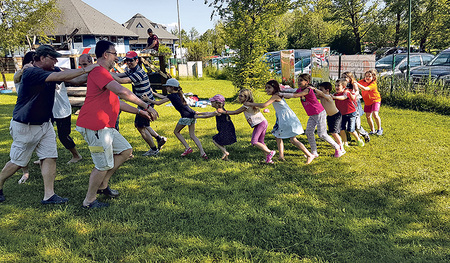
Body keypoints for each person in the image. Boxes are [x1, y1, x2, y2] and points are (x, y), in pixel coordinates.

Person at [0, 45, 98, 204]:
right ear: (42, 58)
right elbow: (60, 76)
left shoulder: (53, 70)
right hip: (26, 125)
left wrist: (95, 71)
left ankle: (49, 195)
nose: (56, 61)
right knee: (18, 162)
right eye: (53, 58)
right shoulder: (32, 72)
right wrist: (88, 69)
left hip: (45, 123)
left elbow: (76, 79)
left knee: (50, 157)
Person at [75, 40, 158, 209]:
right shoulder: (99, 71)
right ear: (105, 54)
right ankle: (89, 201)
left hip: (105, 126)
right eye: (114, 54)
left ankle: (103, 184)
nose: (116, 58)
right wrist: (145, 105)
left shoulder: (106, 73)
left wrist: (139, 112)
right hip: (95, 126)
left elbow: (117, 101)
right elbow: (122, 91)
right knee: (102, 164)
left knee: (126, 151)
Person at [244, 80, 316, 164]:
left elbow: (264, 105)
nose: (267, 89)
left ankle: (309, 155)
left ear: (275, 88)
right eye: (266, 88)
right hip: (282, 118)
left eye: (269, 88)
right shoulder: (278, 94)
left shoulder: (275, 96)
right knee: (278, 136)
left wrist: (250, 104)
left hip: (287, 119)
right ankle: (281, 157)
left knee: (293, 140)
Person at [111, 51, 167, 156]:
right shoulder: (131, 70)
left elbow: (121, 80)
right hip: (144, 102)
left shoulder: (138, 73)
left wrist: (103, 72)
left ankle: (154, 149)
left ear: (137, 60)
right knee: (144, 124)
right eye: (127, 60)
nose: (129, 62)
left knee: (140, 126)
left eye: (131, 60)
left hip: (146, 103)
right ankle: (159, 139)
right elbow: (120, 75)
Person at [279, 74, 341, 158]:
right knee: (308, 132)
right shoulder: (300, 89)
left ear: (307, 82)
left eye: (301, 80)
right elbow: (293, 92)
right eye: (298, 80)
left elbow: (296, 95)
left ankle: (337, 148)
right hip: (312, 115)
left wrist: (281, 94)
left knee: (322, 134)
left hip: (319, 113)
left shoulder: (307, 90)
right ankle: (314, 152)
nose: (298, 82)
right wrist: (282, 92)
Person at [155, 78, 210, 159]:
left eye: (167, 87)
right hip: (192, 114)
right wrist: (153, 93)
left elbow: (158, 103)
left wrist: (147, 100)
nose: (166, 88)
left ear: (172, 87)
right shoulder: (178, 94)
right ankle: (202, 152)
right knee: (192, 135)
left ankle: (188, 148)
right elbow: (163, 97)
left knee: (176, 132)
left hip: (186, 117)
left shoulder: (171, 96)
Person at [218, 89, 276, 164]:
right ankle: (269, 160)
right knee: (261, 142)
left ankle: (269, 152)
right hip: (263, 123)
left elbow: (236, 112)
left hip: (260, 124)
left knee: (254, 141)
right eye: (239, 95)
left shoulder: (246, 105)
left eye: (241, 96)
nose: (239, 97)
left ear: (246, 97)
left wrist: (223, 112)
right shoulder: (249, 103)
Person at [13, 51, 36, 184]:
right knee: (23, 148)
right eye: (32, 61)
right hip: (23, 117)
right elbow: (16, 77)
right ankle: (25, 172)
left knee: (46, 149)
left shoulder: (37, 73)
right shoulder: (21, 74)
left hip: (40, 116)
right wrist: (24, 70)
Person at [310, 82, 346, 157]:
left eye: (321, 89)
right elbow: (313, 95)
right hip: (329, 116)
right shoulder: (321, 96)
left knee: (334, 133)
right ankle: (339, 145)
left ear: (327, 90)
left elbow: (322, 95)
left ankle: (341, 147)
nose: (319, 91)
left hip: (336, 116)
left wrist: (315, 89)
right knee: (332, 132)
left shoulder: (328, 96)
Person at [332, 79, 365, 147]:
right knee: (341, 129)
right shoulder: (335, 94)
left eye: (338, 85)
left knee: (351, 130)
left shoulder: (346, 93)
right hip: (341, 114)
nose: (336, 87)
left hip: (351, 114)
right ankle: (345, 143)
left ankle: (358, 140)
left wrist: (334, 97)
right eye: (335, 85)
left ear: (344, 87)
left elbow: (343, 97)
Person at [206, 94, 237, 160]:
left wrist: (198, 114)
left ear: (217, 103)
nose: (211, 102)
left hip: (225, 130)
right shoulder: (222, 110)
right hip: (228, 130)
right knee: (220, 141)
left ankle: (225, 152)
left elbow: (208, 114)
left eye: (212, 101)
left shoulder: (219, 111)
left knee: (214, 140)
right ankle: (226, 157)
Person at [342, 72, 370, 142]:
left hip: (354, 104)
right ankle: (347, 138)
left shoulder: (353, 83)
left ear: (350, 78)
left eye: (345, 77)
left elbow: (357, 91)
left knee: (357, 125)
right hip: (346, 105)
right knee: (345, 123)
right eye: (342, 77)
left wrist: (353, 94)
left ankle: (364, 134)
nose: (343, 79)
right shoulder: (342, 84)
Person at [356, 69, 383, 136]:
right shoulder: (362, 81)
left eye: (369, 76)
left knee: (375, 114)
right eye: (366, 76)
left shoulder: (373, 84)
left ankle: (379, 129)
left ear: (373, 78)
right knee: (368, 116)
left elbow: (365, 89)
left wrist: (357, 83)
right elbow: (355, 83)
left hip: (375, 100)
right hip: (367, 102)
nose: (367, 77)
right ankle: (372, 130)